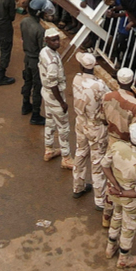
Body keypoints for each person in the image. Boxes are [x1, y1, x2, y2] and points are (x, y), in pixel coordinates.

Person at [104, 122, 136, 270]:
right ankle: (124, 258)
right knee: (129, 226)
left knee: (116, 216)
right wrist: (122, 192)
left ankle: (110, 247)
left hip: (115, 193)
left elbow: (104, 165)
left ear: (130, 136)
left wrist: (115, 186)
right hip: (130, 199)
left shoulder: (117, 146)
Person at [71, 52, 109, 204]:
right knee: (97, 160)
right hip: (95, 125)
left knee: (80, 152)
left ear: (82, 66)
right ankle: (100, 199)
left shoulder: (76, 79)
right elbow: (108, 101)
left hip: (81, 121)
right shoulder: (99, 85)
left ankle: (78, 186)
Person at [39, 28, 72, 168]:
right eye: (53, 40)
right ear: (47, 41)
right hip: (54, 96)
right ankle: (66, 157)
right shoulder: (52, 61)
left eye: (57, 39)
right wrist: (62, 102)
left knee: (50, 122)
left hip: (46, 93)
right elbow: (53, 84)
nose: (57, 42)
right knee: (63, 128)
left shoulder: (44, 52)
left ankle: (49, 149)